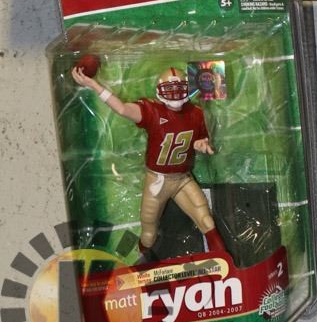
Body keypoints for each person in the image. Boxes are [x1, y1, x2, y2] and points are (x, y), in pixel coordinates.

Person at [71, 64, 226, 262]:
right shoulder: (153, 111)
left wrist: (201, 144)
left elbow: (198, 139)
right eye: (170, 89)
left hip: (183, 179)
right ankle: (141, 263)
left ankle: (224, 263)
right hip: (157, 181)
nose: (175, 94)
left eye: (178, 88)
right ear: (160, 90)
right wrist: (94, 85)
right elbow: (122, 108)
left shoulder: (196, 113)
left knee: (206, 220)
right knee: (149, 233)